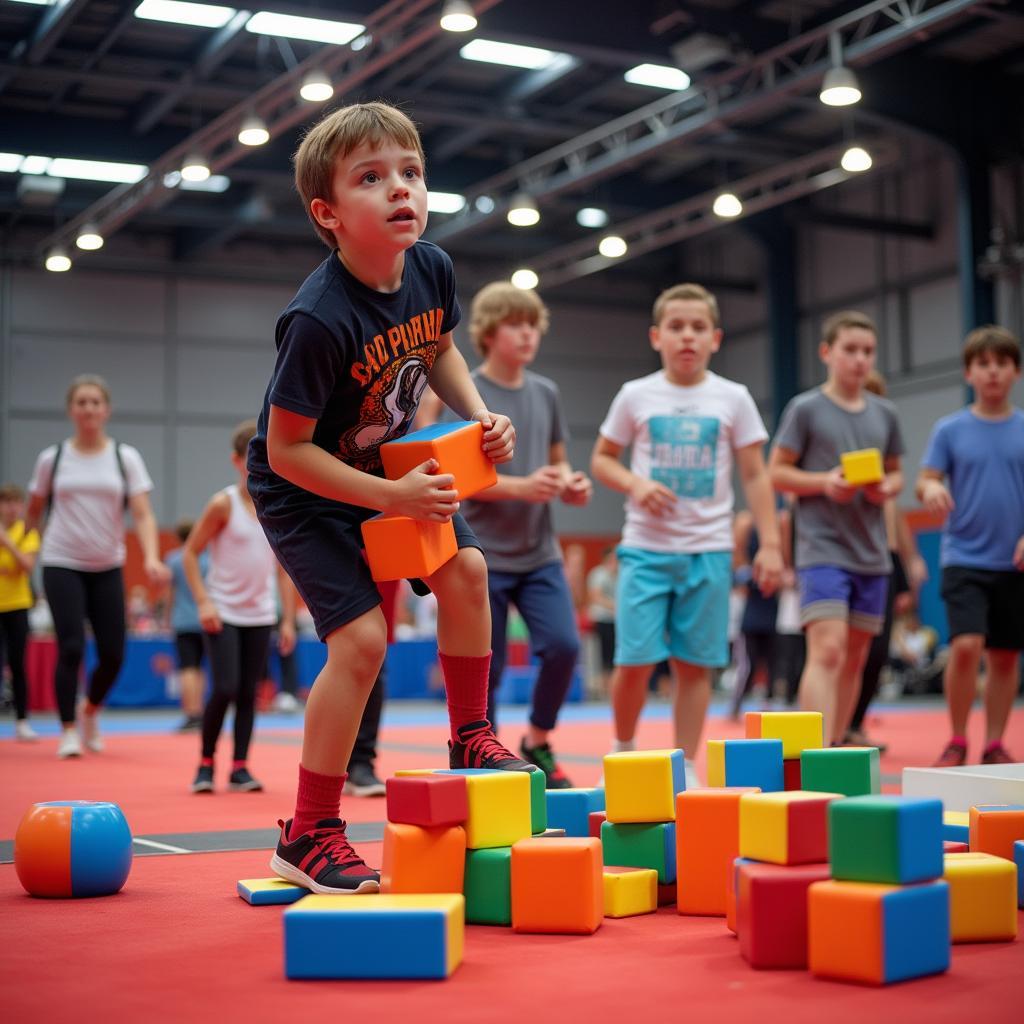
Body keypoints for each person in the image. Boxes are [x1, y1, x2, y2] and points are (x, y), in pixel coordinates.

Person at [245, 101, 530, 894]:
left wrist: (478, 417)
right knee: (362, 644)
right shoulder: (317, 316)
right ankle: (308, 832)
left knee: (468, 577)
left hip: (386, 476)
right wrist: (392, 497)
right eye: (372, 178)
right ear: (328, 214)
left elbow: (436, 345)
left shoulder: (431, 266)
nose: (400, 189)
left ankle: (471, 736)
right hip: (305, 489)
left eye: (410, 172)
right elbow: (285, 449)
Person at [591, 282, 782, 787]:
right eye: (676, 327)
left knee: (694, 665)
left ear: (716, 338)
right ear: (657, 336)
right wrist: (636, 481)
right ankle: (624, 748)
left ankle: (687, 765)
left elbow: (756, 476)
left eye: (698, 327)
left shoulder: (733, 398)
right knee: (634, 660)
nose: (687, 337)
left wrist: (773, 547)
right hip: (646, 550)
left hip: (709, 551)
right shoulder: (636, 395)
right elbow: (602, 460)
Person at [450, 281, 592, 788]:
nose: (527, 333)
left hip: (539, 553)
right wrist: (522, 487)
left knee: (564, 647)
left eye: (533, 323)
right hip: (481, 555)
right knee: (484, 669)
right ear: (489, 332)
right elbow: (459, 478)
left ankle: (537, 739)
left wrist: (570, 483)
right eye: (515, 323)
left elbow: (557, 462)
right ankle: (481, 756)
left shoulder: (546, 392)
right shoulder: (463, 387)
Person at [769, 311, 904, 747]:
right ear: (827, 352)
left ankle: (837, 745)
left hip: (871, 552)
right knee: (827, 650)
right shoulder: (805, 409)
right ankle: (814, 753)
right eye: (850, 350)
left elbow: (898, 473)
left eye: (867, 351)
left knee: (856, 658)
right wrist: (825, 483)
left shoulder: (885, 413)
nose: (860, 360)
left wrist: (886, 488)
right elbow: (777, 473)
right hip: (821, 549)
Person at [24, 374, 169, 759]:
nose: (88, 408)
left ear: (106, 410)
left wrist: (152, 556)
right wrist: (25, 552)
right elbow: (34, 512)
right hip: (61, 560)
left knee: (114, 653)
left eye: (95, 402)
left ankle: (89, 711)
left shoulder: (125, 457)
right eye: (81, 402)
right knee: (70, 646)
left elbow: (142, 514)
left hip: (107, 563)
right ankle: (68, 729)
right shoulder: (52, 459)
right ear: (71, 410)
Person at [917, 325, 1024, 766]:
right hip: (964, 556)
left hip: (1013, 562)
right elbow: (925, 478)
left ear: (1015, 372)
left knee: (1003, 655)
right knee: (966, 645)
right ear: (968, 374)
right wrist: (930, 490)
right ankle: (958, 737)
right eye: (983, 364)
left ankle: (995, 742)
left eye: (1001, 363)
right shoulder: (950, 430)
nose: (992, 372)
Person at [183, 420, 296, 793]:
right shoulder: (223, 504)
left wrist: (288, 621)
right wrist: (203, 601)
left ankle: (239, 766)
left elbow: (283, 571)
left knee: (249, 691)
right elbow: (190, 553)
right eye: (251, 457)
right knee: (225, 687)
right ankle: (205, 763)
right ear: (236, 461)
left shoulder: (276, 505)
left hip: (260, 613)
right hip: (224, 611)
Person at [844, 369, 927, 748]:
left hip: (884, 557)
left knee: (875, 651)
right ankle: (832, 725)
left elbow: (897, 517)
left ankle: (855, 722)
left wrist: (910, 565)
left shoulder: (885, 467)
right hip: (841, 554)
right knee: (838, 649)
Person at [0, 484, 40, 740]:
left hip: (18, 605)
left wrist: (7, 543)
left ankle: (22, 720)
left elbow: (26, 565)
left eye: (16, 503)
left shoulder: (26, 531)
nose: (11, 508)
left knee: (17, 663)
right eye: (6, 503)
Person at [164, 519, 208, 731]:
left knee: (187, 667)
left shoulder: (173, 559)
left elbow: (170, 593)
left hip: (183, 621)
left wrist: (166, 617)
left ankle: (191, 713)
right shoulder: (208, 559)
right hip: (206, 618)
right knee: (200, 668)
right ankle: (200, 712)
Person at [586, 547, 617, 696]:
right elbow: (595, 596)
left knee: (616, 654)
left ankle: (613, 686)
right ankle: (604, 687)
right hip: (602, 618)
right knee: (604, 653)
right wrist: (613, 606)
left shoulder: (620, 575)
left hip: (616, 620)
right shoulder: (598, 574)